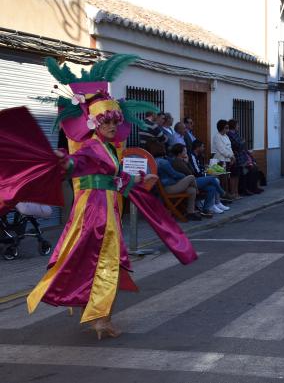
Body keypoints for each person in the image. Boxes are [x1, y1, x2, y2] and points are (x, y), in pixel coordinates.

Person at [11, 54, 198, 340]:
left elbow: (115, 179)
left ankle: (98, 314)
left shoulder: (109, 150)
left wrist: (138, 179)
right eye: (106, 121)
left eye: (114, 122)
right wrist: (62, 160)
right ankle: (100, 319)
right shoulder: (89, 148)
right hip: (95, 213)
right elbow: (76, 166)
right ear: (94, 123)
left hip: (105, 208)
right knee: (105, 261)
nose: (112, 127)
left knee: (96, 261)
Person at [150, 142, 202, 221]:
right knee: (191, 177)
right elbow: (174, 174)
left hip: (163, 188)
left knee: (192, 190)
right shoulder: (163, 162)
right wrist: (183, 176)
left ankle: (190, 213)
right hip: (168, 187)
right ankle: (198, 193)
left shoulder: (153, 161)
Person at [189, 140, 232, 206]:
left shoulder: (197, 156)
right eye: (202, 147)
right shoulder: (192, 156)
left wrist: (204, 168)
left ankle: (212, 206)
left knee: (212, 187)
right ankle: (223, 193)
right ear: (197, 147)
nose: (204, 148)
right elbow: (196, 172)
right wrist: (205, 173)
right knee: (214, 178)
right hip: (194, 179)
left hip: (198, 177)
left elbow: (198, 166)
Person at [227, 119, 262, 195]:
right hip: (237, 157)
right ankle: (240, 191)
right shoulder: (230, 135)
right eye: (237, 125)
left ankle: (250, 189)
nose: (238, 126)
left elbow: (241, 144)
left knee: (247, 172)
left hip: (241, 157)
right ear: (234, 125)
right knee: (238, 175)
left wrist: (242, 143)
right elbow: (238, 144)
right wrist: (242, 142)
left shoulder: (236, 134)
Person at [212, 119, 238, 198]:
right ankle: (223, 196)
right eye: (226, 128)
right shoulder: (217, 137)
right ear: (221, 128)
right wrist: (231, 156)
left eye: (228, 127)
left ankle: (226, 195)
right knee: (222, 180)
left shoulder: (226, 136)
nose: (227, 129)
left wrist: (232, 157)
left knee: (226, 179)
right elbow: (222, 150)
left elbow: (229, 148)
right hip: (220, 160)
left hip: (227, 160)